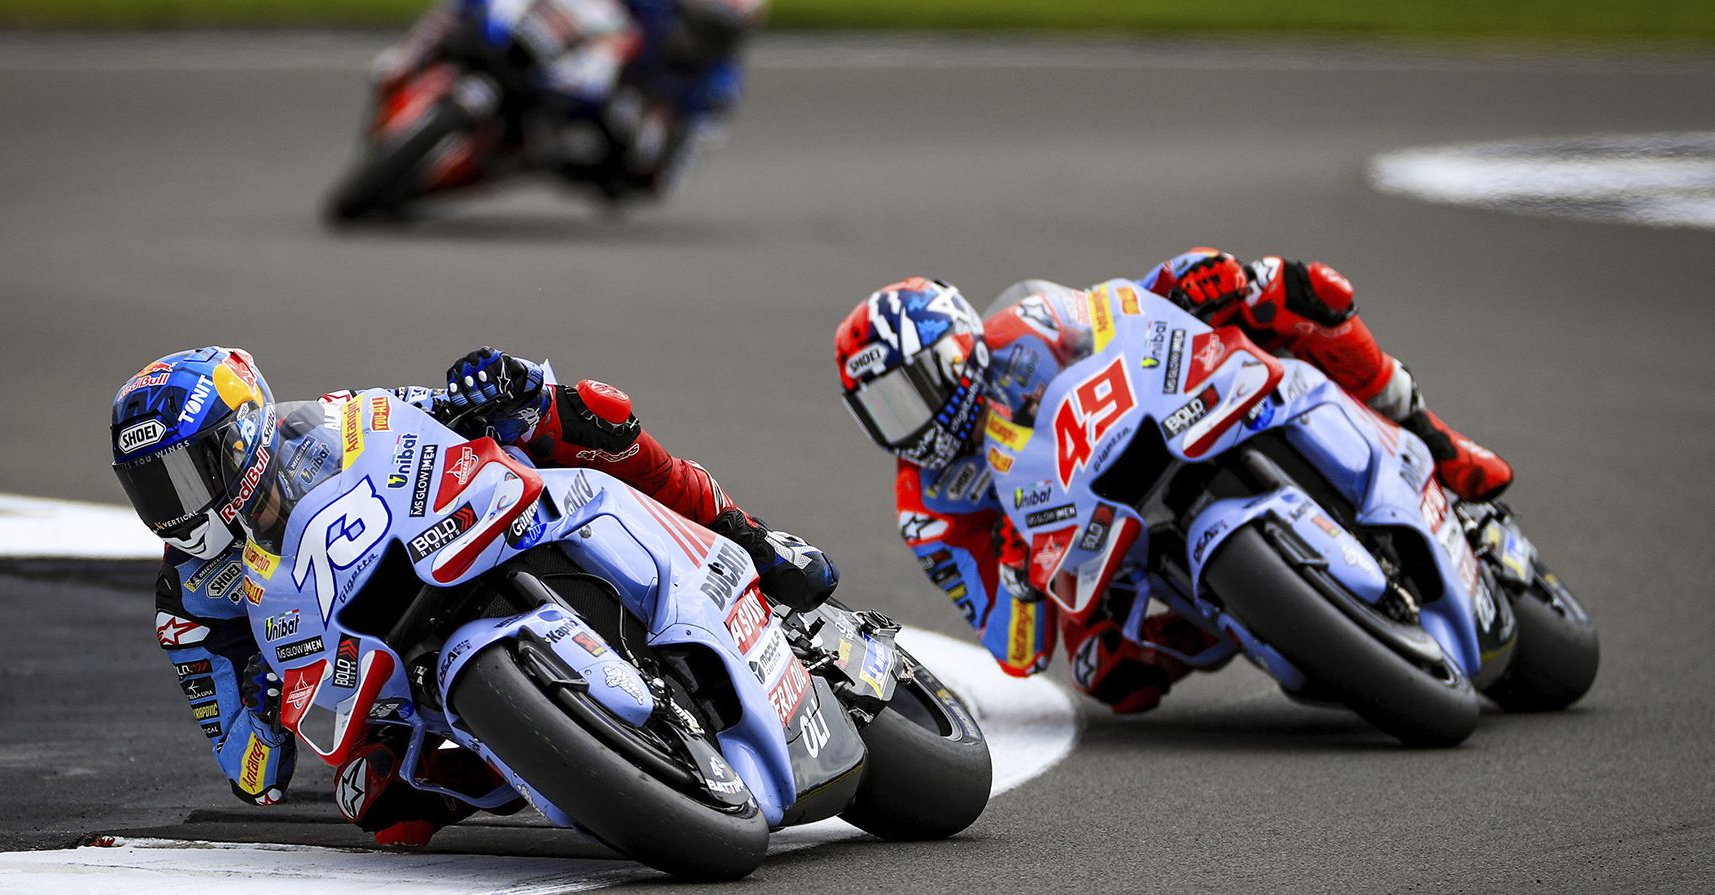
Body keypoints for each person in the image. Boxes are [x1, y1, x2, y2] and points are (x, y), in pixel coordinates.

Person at [110, 346, 835, 847]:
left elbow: (434, 414)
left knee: (583, 412)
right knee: (375, 802)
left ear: (238, 441)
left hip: (453, 539)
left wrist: (500, 388)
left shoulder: (336, 418)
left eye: (180, 473)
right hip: (368, 664)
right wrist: (262, 706)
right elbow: (251, 770)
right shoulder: (190, 596)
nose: (173, 505)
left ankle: (757, 540)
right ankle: (549, 758)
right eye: (149, 487)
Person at [831, 252, 1513, 714]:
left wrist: (1183, 279)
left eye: (914, 389)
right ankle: (1254, 624)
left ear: (962, 347)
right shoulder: (930, 506)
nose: (911, 420)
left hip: (1156, 418)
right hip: (1091, 543)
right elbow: (1017, 648)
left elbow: (1114, 311)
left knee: (1290, 288)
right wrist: (1017, 571)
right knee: (1105, 672)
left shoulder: (1023, 330)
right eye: (885, 407)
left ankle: (1432, 436)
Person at [370, 0, 761, 198]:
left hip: (595, 113)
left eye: (719, 33)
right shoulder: (651, 9)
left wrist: (646, 151)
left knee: (589, 162)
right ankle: (414, 55)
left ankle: (506, 159)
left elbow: (681, 161)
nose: (701, 40)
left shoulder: (717, 83)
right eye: (699, 24)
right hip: (569, 50)